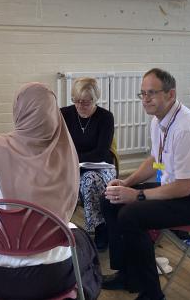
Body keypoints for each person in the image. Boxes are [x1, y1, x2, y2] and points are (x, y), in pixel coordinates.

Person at [0, 83, 100, 299]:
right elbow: (67, 209)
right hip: (49, 276)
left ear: (18, 110)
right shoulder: (64, 153)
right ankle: (77, 294)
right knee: (85, 245)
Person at [101, 68, 190, 300]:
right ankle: (128, 274)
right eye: (142, 94)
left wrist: (135, 196)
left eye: (151, 93)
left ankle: (152, 293)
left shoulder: (187, 128)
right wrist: (126, 183)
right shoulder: (160, 121)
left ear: (170, 94)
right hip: (176, 192)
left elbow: (184, 187)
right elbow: (156, 161)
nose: (145, 99)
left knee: (131, 215)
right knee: (110, 198)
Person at [60, 77, 116, 251]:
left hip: (99, 166)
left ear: (95, 99)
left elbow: (101, 151)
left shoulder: (105, 117)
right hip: (71, 166)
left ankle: (100, 228)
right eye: (76, 101)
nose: (80, 106)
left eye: (85, 102)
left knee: (90, 181)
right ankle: (60, 226)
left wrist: (74, 160)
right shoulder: (64, 114)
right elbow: (58, 143)